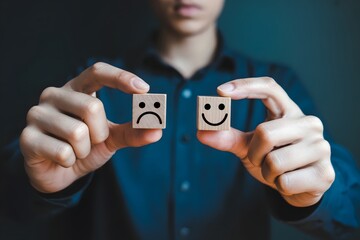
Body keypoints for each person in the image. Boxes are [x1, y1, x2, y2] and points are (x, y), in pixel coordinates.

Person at [1, 0, 359, 239]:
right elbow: (11, 198)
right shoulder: (92, 85)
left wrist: (316, 192)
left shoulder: (278, 89)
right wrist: (37, 181)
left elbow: (351, 210)